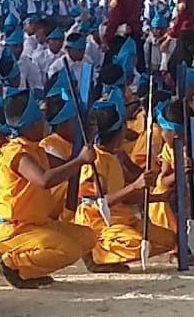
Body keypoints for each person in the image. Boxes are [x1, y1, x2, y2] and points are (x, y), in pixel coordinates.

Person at [0, 89, 98, 288]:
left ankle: (29, 271)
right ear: (30, 126)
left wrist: (86, 143)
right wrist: (80, 160)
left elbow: (63, 165)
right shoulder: (18, 153)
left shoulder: (35, 148)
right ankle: (12, 265)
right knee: (69, 250)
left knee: (88, 237)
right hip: (13, 228)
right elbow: (44, 180)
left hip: (37, 223)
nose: (44, 124)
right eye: (40, 121)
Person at [73, 99, 171, 271]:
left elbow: (123, 196)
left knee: (168, 240)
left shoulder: (114, 155)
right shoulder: (95, 159)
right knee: (138, 244)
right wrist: (135, 185)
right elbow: (103, 201)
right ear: (117, 134)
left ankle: (110, 255)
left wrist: (159, 197)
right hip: (101, 223)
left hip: (123, 218)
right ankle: (98, 253)